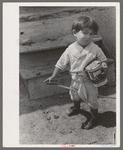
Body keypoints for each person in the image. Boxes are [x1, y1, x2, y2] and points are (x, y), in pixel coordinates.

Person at [44, 15, 107, 129]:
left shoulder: (96, 49)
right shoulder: (70, 49)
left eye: (91, 34)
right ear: (74, 32)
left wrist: (101, 68)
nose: (88, 36)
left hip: (89, 81)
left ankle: (94, 117)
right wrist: (53, 76)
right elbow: (60, 64)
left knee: (92, 99)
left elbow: (103, 61)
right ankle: (77, 108)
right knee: (74, 95)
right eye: (85, 32)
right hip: (75, 79)